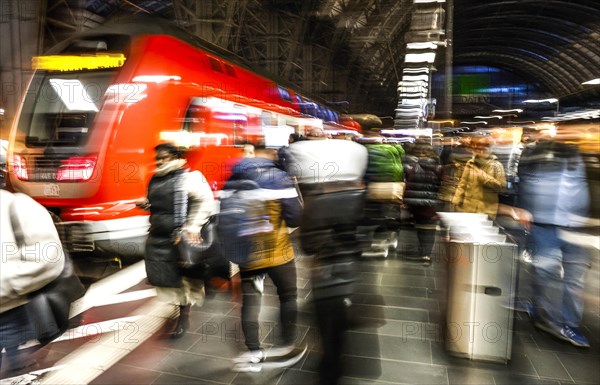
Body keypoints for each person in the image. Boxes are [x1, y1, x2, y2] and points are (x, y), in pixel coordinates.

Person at [285, 132, 369, 385]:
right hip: (350, 268)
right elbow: (364, 233)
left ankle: (328, 367)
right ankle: (336, 360)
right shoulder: (359, 196)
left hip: (324, 272)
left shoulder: (316, 202)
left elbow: (308, 245)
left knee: (324, 319)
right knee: (340, 318)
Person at [226, 143, 304, 372]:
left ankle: (253, 353)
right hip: (277, 252)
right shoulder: (279, 177)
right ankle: (285, 346)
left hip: (247, 253)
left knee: (250, 302)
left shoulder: (234, 176)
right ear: (271, 155)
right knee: (288, 295)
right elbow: (295, 219)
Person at [516, 128, 592, 347]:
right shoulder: (534, 154)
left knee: (574, 278)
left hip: (578, 226)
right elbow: (526, 182)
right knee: (545, 271)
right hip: (544, 223)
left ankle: (569, 324)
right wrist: (524, 210)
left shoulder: (580, 155)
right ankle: (544, 314)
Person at [135, 142, 215, 339]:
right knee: (167, 277)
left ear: (175, 156)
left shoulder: (189, 178)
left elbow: (205, 201)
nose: (160, 161)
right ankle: (181, 310)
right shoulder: (155, 178)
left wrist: (192, 226)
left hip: (178, 238)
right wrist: (147, 205)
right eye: (158, 158)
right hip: (158, 235)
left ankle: (183, 318)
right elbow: (157, 205)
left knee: (183, 279)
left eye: (164, 157)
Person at [1, 190, 66, 372]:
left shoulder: (16, 205)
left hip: (12, 311)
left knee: (20, 367)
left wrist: (11, 284)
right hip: (12, 304)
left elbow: (48, 256)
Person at [402, 139, 443, 265]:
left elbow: (407, 183)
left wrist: (406, 200)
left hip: (415, 202)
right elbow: (440, 185)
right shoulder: (438, 167)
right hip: (431, 202)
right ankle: (426, 254)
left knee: (420, 226)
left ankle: (422, 248)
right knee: (430, 229)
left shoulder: (410, 164)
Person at [451, 135, 506, 219]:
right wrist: (456, 200)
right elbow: (462, 184)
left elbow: (501, 187)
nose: (481, 152)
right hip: (468, 209)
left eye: (484, 149)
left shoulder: (496, 165)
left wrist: (484, 177)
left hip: (486, 210)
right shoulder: (470, 163)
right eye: (478, 149)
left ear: (490, 149)